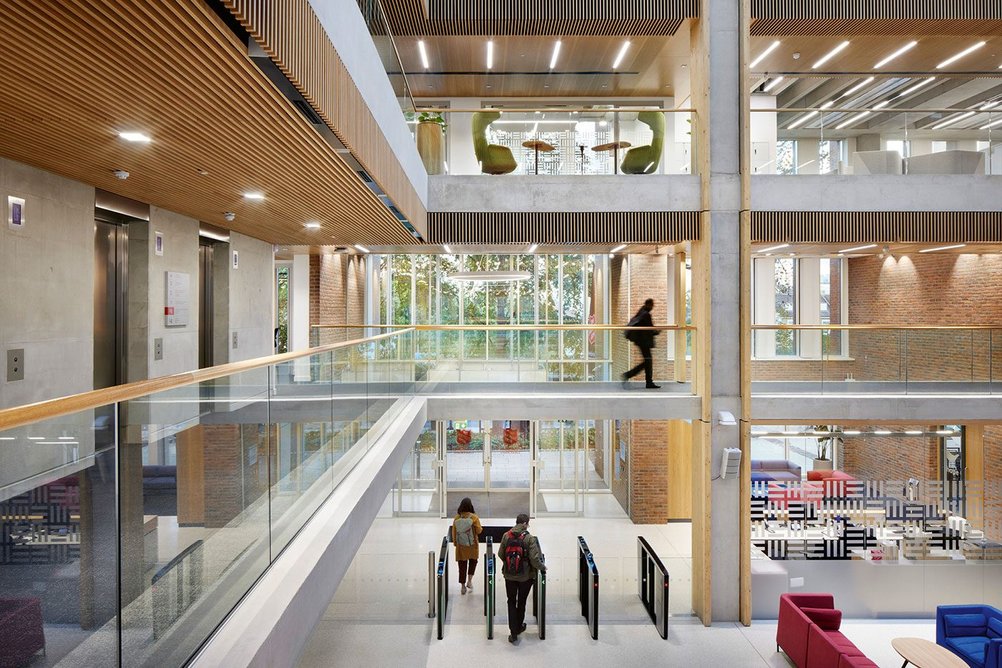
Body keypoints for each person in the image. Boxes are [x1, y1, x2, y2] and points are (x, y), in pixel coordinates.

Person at [499, 513, 546, 644]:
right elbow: (534, 558)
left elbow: (501, 554)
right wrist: (542, 567)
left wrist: (509, 565)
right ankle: (519, 626)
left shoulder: (506, 535)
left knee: (511, 601)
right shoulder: (529, 538)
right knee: (522, 601)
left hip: (509, 575)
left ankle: (513, 632)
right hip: (526, 577)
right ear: (524, 523)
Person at [622, 297, 661, 389]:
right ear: (649, 304)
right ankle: (645, 381)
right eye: (652, 305)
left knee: (647, 361)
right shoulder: (646, 314)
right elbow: (650, 329)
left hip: (641, 341)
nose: (652, 307)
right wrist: (657, 331)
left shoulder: (641, 311)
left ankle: (646, 381)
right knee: (648, 361)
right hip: (644, 342)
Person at [452, 497, 482, 595]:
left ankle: (462, 586)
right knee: (473, 562)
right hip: (472, 545)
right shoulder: (474, 518)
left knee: (462, 566)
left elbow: (454, 532)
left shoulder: (457, 518)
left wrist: (456, 544)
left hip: (461, 546)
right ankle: (469, 581)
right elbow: (479, 530)